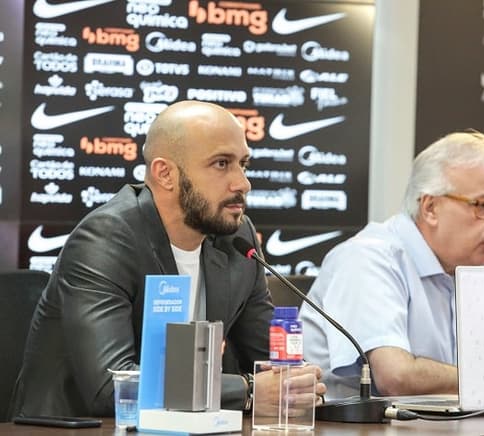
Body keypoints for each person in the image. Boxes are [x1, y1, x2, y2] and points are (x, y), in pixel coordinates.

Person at [10, 100, 324, 418]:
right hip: (84, 428)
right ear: (165, 174)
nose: (242, 183)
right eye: (221, 164)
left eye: (243, 164)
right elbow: (114, 387)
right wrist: (248, 390)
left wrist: (297, 385)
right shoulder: (105, 240)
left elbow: (272, 360)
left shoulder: (236, 239)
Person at [300, 131, 484, 399]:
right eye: (483, 205)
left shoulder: (479, 269)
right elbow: (395, 377)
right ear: (430, 207)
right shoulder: (368, 258)